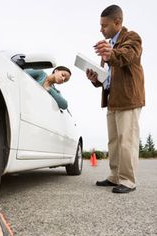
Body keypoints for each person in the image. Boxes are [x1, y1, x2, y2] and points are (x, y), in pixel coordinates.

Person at [86, 5, 145, 193]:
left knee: (127, 140)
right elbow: (107, 77)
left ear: (117, 22)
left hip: (128, 98)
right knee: (114, 141)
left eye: (104, 25)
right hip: (112, 99)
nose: (101, 29)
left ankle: (128, 181)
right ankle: (115, 176)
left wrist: (111, 53)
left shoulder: (132, 38)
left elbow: (127, 56)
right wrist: (95, 79)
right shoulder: (108, 45)